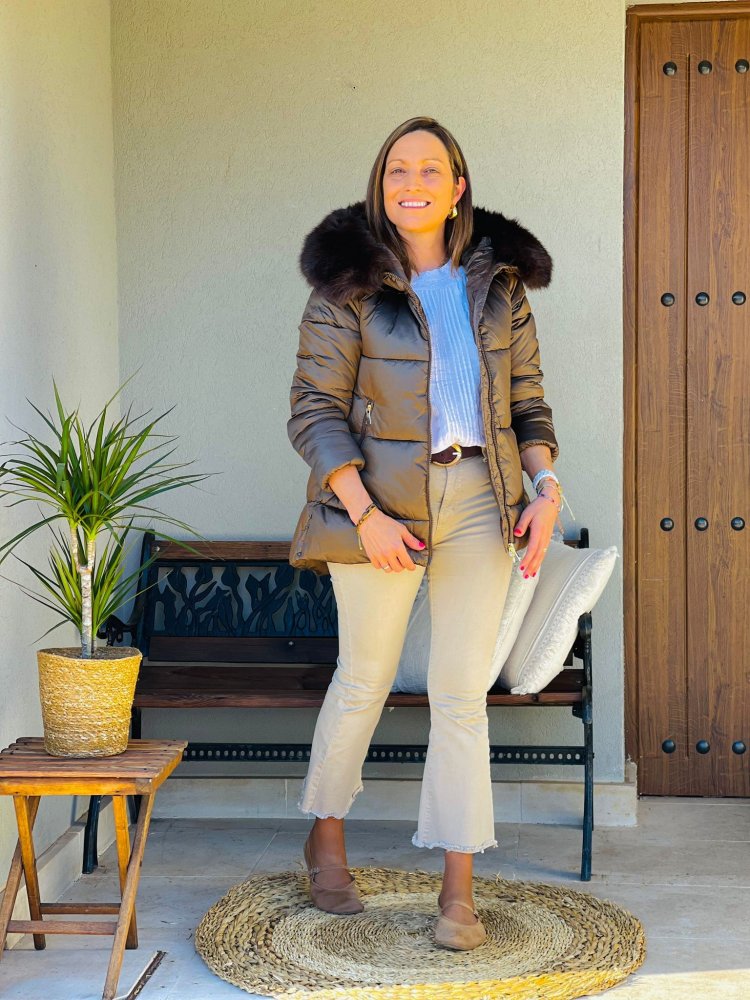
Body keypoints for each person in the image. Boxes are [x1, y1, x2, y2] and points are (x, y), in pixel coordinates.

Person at [287, 116, 562, 950]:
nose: (413, 183)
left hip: (481, 495)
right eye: (397, 170)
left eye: (429, 170)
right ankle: (325, 837)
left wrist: (546, 485)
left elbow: (528, 403)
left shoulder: (500, 285)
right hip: (378, 501)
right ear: (382, 185)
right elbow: (314, 412)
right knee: (364, 678)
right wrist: (364, 515)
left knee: (460, 694)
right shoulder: (346, 285)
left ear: (457, 186)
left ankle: (458, 889)